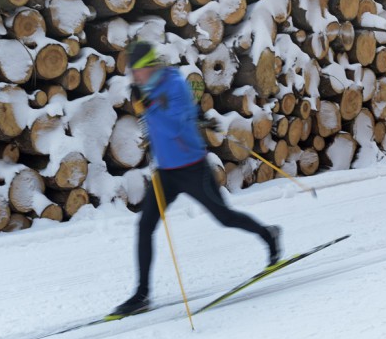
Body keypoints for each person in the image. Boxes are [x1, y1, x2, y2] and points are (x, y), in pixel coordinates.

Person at [111, 41, 282, 317]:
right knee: (145, 228)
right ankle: (141, 295)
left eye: (137, 71)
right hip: (166, 173)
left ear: (150, 68)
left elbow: (176, 125)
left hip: (192, 168)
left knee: (223, 217)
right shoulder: (146, 90)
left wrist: (150, 107)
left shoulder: (174, 85)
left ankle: (269, 235)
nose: (134, 76)